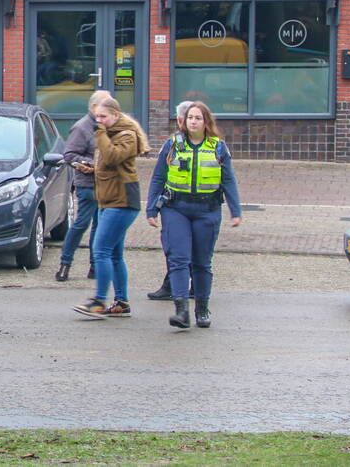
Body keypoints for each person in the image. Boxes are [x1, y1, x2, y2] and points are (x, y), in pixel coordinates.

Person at [146, 101, 242, 328]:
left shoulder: (218, 147)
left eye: (198, 118)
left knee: (201, 262)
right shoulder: (172, 145)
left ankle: (202, 308)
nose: (193, 121)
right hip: (176, 208)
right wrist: (152, 208)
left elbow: (228, 180)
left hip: (207, 210)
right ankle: (181, 310)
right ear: (184, 121)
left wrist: (235, 211)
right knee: (178, 259)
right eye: (190, 118)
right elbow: (158, 177)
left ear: (206, 121)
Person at [73, 96, 149, 319]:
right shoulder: (110, 134)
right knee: (114, 254)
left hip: (122, 200)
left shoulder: (126, 135)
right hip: (108, 199)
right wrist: (91, 169)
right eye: (96, 116)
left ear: (116, 115)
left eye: (103, 116)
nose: (99, 121)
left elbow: (113, 156)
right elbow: (108, 164)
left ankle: (98, 301)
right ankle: (121, 302)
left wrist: (99, 134)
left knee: (101, 250)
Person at [55, 89, 112, 282]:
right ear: (94, 107)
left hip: (106, 184)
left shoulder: (108, 124)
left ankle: (95, 266)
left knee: (100, 224)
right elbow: (69, 155)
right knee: (81, 223)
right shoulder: (82, 127)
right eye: (106, 104)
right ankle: (65, 263)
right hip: (87, 183)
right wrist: (91, 163)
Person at [146, 99, 195, 301]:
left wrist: (152, 207)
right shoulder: (174, 144)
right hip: (176, 205)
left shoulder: (176, 144)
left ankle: (178, 287)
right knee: (179, 248)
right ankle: (177, 285)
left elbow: (159, 177)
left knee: (176, 248)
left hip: (178, 204)